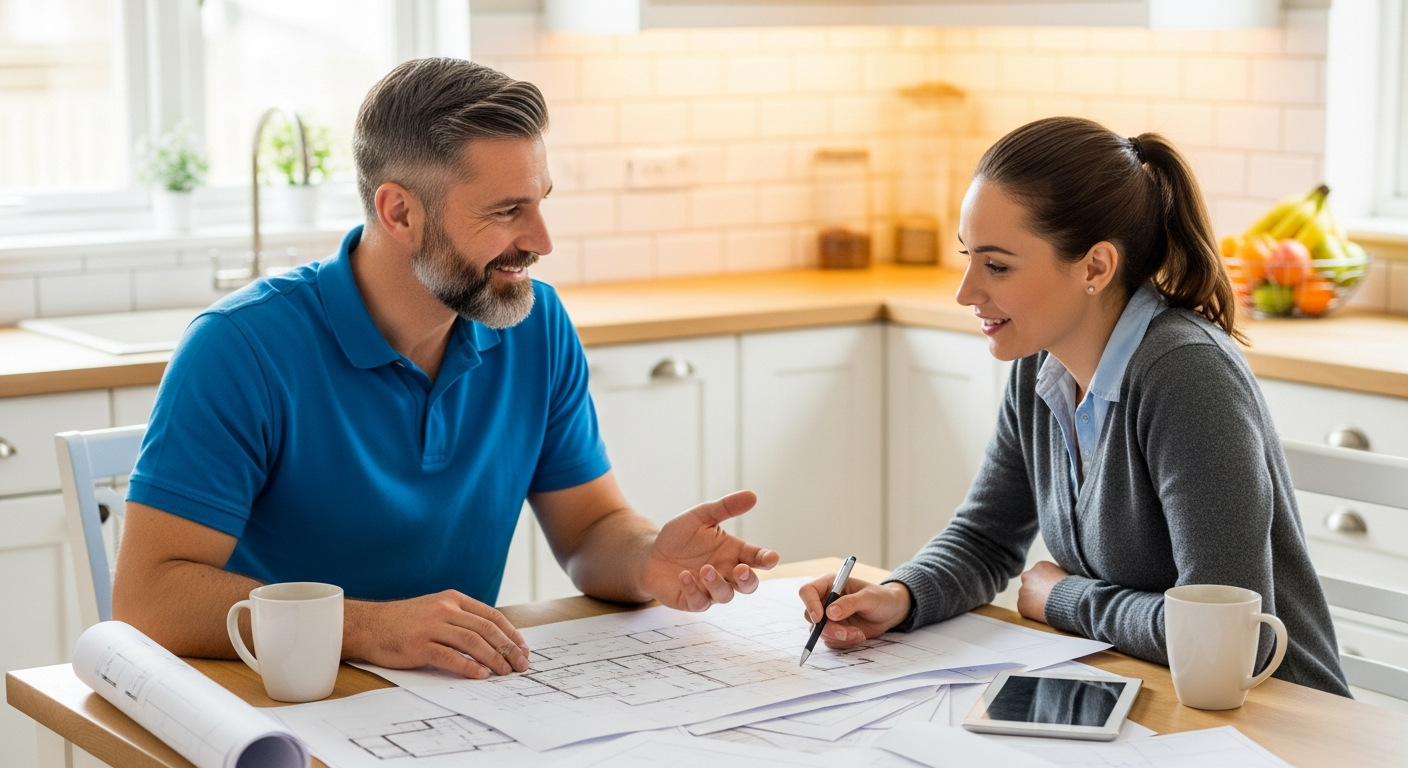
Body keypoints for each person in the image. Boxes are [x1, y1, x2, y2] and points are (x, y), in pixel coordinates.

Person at [112, 58, 779, 680]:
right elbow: (149, 598)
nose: (542, 241)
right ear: (400, 212)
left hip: (447, 705)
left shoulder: (534, 325)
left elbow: (589, 529)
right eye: (507, 211)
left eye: (541, 201)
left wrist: (647, 560)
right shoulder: (242, 347)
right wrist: (369, 627)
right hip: (279, 703)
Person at [799, 117, 1350, 696]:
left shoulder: (1186, 376)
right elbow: (986, 539)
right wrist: (899, 596)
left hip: (1274, 719)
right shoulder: (1041, 363)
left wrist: (1064, 599)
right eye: (968, 257)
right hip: (1144, 696)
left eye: (997, 265)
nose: (966, 291)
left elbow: (1230, 640)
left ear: (1095, 266)